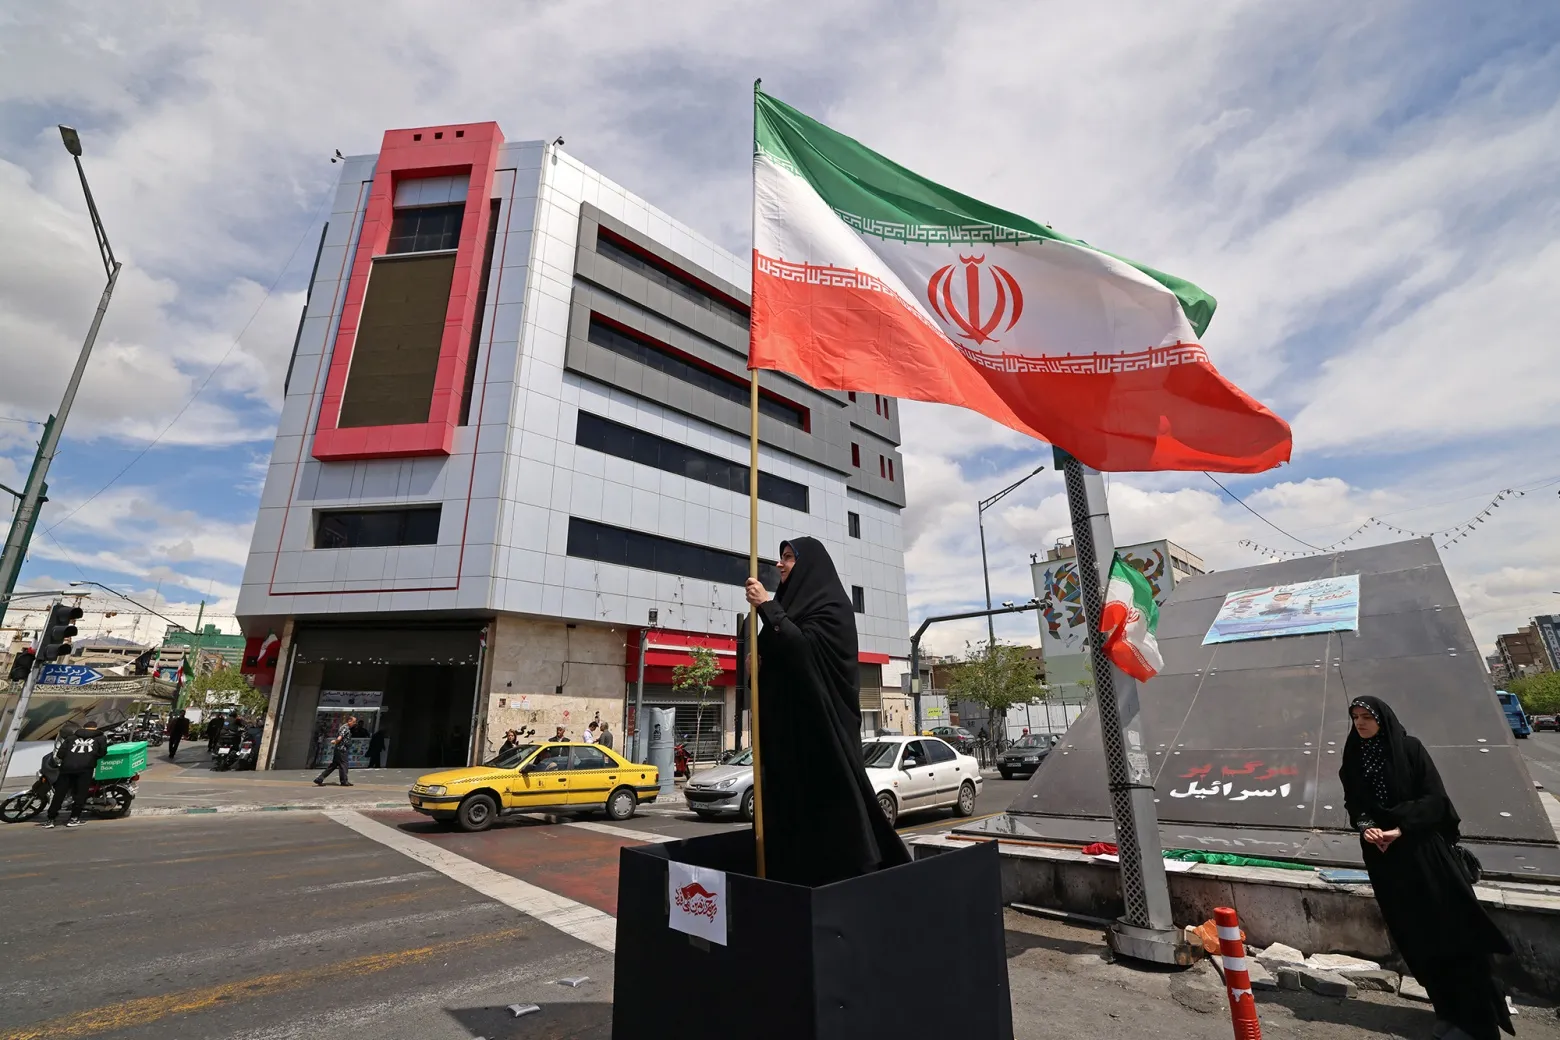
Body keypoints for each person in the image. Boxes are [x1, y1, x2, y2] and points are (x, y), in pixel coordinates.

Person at [1340, 697, 1512, 1040]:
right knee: (1415, 935)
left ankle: (1477, 1022)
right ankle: (1447, 1011)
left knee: (1450, 932)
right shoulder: (1354, 756)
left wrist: (1400, 828)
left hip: (1423, 854)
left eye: (1366, 717)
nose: (1360, 723)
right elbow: (1354, 802)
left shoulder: (1409, 749)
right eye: (1355, 717)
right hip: (1385, 860)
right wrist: (1367, 828)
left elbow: (1435, 800)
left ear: (1382, 720)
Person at [745, 536, 910, 886]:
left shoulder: (833, 608)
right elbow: (779, 665)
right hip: (788, 738)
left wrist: (767, 607)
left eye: (788, 557)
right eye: (781, 557)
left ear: (808, 565)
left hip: (824, 731)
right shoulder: (786, 607)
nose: (779, 564)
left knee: (834, 812)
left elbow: (805, 652)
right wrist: (754, 670)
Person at [43, 719, 109, 829]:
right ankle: (74, 818)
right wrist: (92, 757)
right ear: (95, 728)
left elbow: (60, 753)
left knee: (59, 794)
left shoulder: (71, 737)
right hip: (85, 769)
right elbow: (102, 752)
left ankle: (50, 819)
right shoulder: (101, 738)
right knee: (80, 794)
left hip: (67, 768)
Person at [313, 714, 356, 787]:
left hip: (339, 749)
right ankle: (344, 781)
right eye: (354, 722)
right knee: (344, 765)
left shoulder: (345, 728)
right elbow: (340, 737)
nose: (355, 724)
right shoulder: (345, 728)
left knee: (333, 765)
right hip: (342, 750)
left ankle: (319, 778)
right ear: (349, 721)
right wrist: (336, 741)